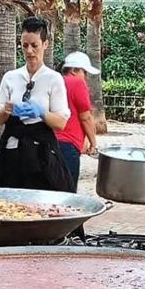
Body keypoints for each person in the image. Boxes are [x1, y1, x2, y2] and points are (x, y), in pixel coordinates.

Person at [0, 17, 72, 191]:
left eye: (34, 45)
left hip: (41, 155)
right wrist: (7, 110)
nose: (29, 51)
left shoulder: (53, 78)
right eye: (25, 45)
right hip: (12, 153)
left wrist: (41, 112)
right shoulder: (10, 77)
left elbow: (61, 123)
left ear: (45, 44)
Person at [57, 51, 100, 192]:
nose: (86, 77)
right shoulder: (76, 82)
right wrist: (93, 143)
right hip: (67, 145)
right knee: (67, 192)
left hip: (47, 143)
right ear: (74, 70)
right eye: (84, 72)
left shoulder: (54, 81)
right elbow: (85, 117)